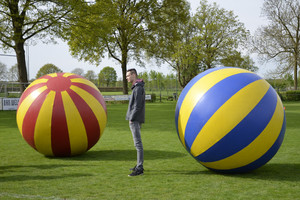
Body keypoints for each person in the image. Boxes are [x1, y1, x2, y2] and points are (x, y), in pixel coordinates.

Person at [126, 68, 145, 177]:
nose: (127, 78)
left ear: (134, 75)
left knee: (138, 144)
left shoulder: (138, 88)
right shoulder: (137, 87)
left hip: (135, 120)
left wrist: (131, 118)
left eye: (128, 75)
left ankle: (139, 168)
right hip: (135, 119)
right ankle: (138, 164)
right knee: (137, 143)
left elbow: (137, 106)